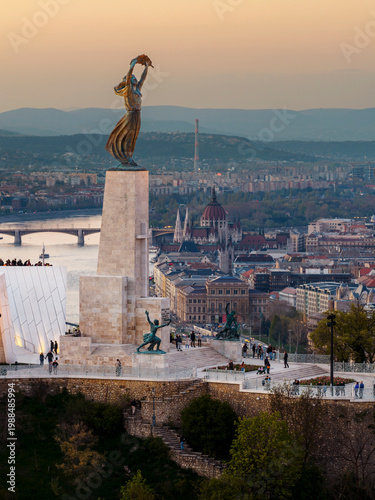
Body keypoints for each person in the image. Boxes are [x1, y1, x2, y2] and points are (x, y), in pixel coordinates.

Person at [105, 55, 152, 166]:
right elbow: (129, 78)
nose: (135, 79)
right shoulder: (129, 90)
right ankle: (126, 157)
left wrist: (146, 67)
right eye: (133, 78)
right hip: (131, 114)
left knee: (134, 136)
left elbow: (143, 78)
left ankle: (129, 156)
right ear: (129, 80)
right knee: (128, 135)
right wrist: (132, 66)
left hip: (137, 114)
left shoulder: (137, 89)